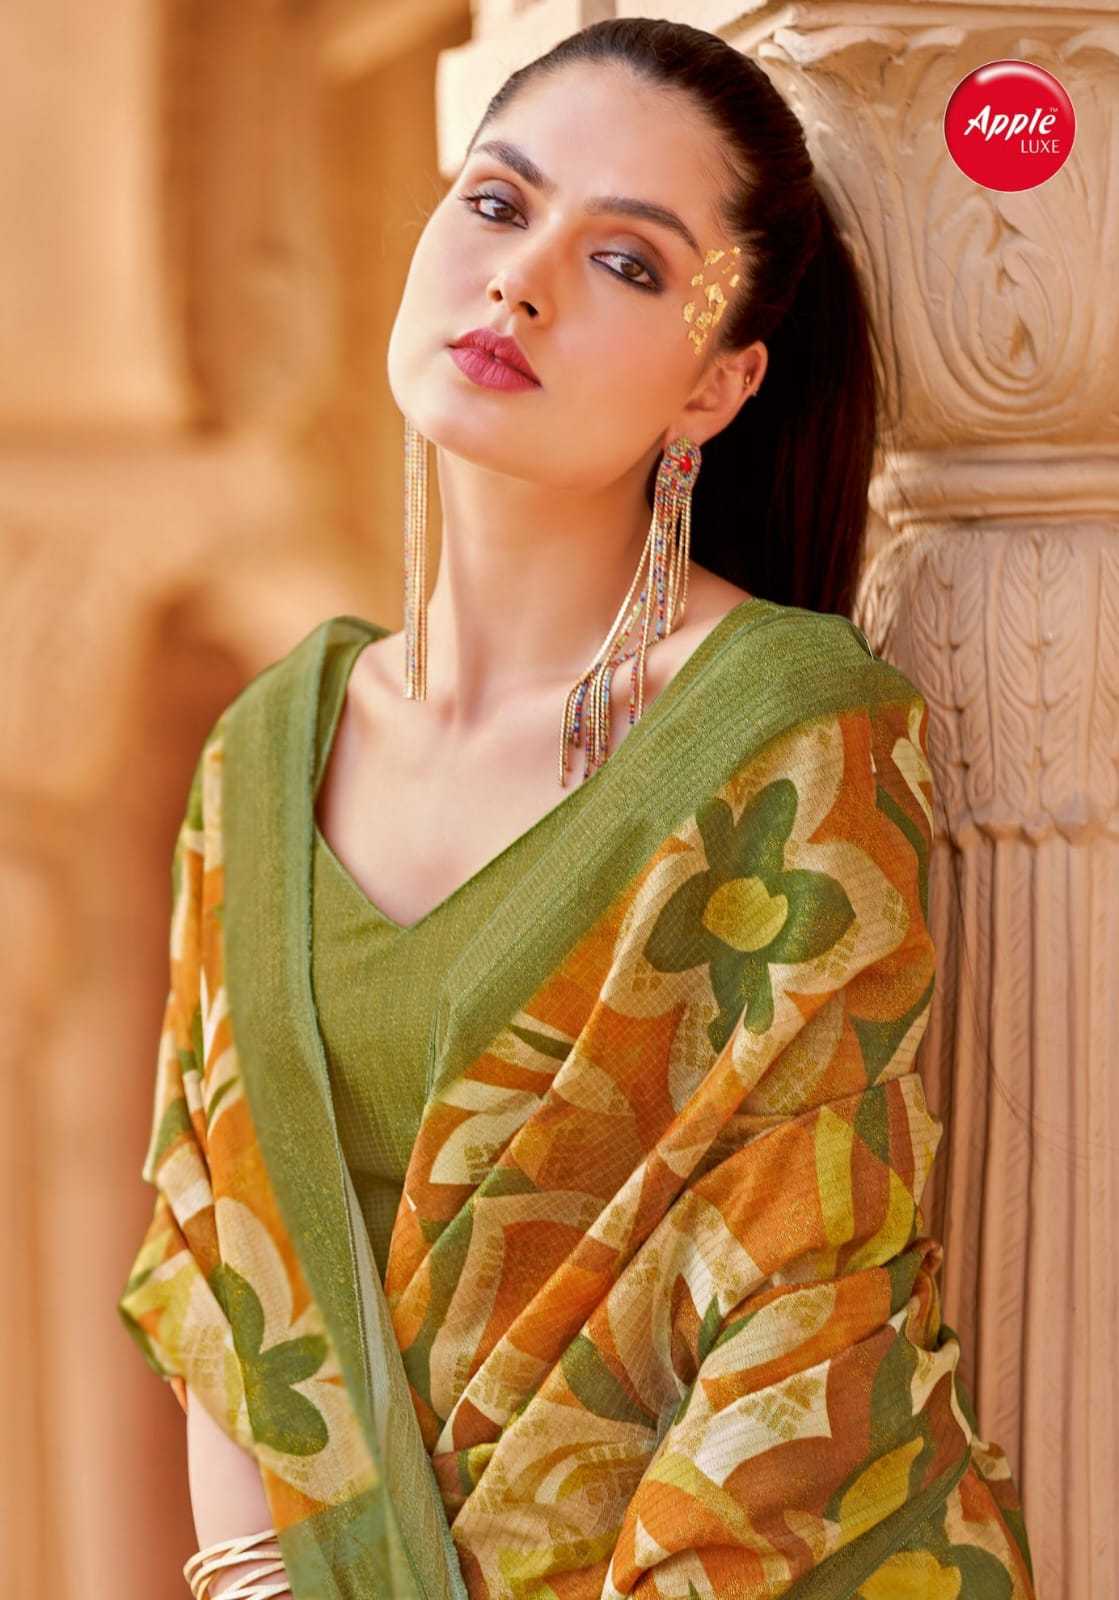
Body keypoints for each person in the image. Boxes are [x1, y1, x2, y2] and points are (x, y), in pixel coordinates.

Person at [118, 18, 1035, 1599]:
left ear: (717, 383)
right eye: (496, 203)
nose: (521, 281)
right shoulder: (263, 755)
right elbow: (225, 1266)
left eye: (626, 263)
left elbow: (800, 1313)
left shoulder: (787, 739)